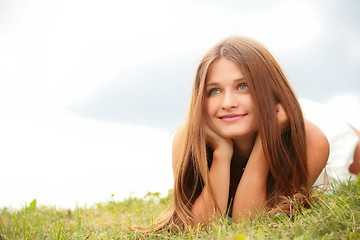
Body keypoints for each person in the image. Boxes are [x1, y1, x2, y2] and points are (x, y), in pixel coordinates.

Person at [147, 37, 360, 231]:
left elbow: (248, 224)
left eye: (243, 86)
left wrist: (263, 147)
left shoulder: (311, 139)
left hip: (308, 127)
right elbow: (199, 226)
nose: (228, 103)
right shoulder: (187, 139)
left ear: (270, 90)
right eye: (214, 91)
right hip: (252, 117)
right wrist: (222, 153)